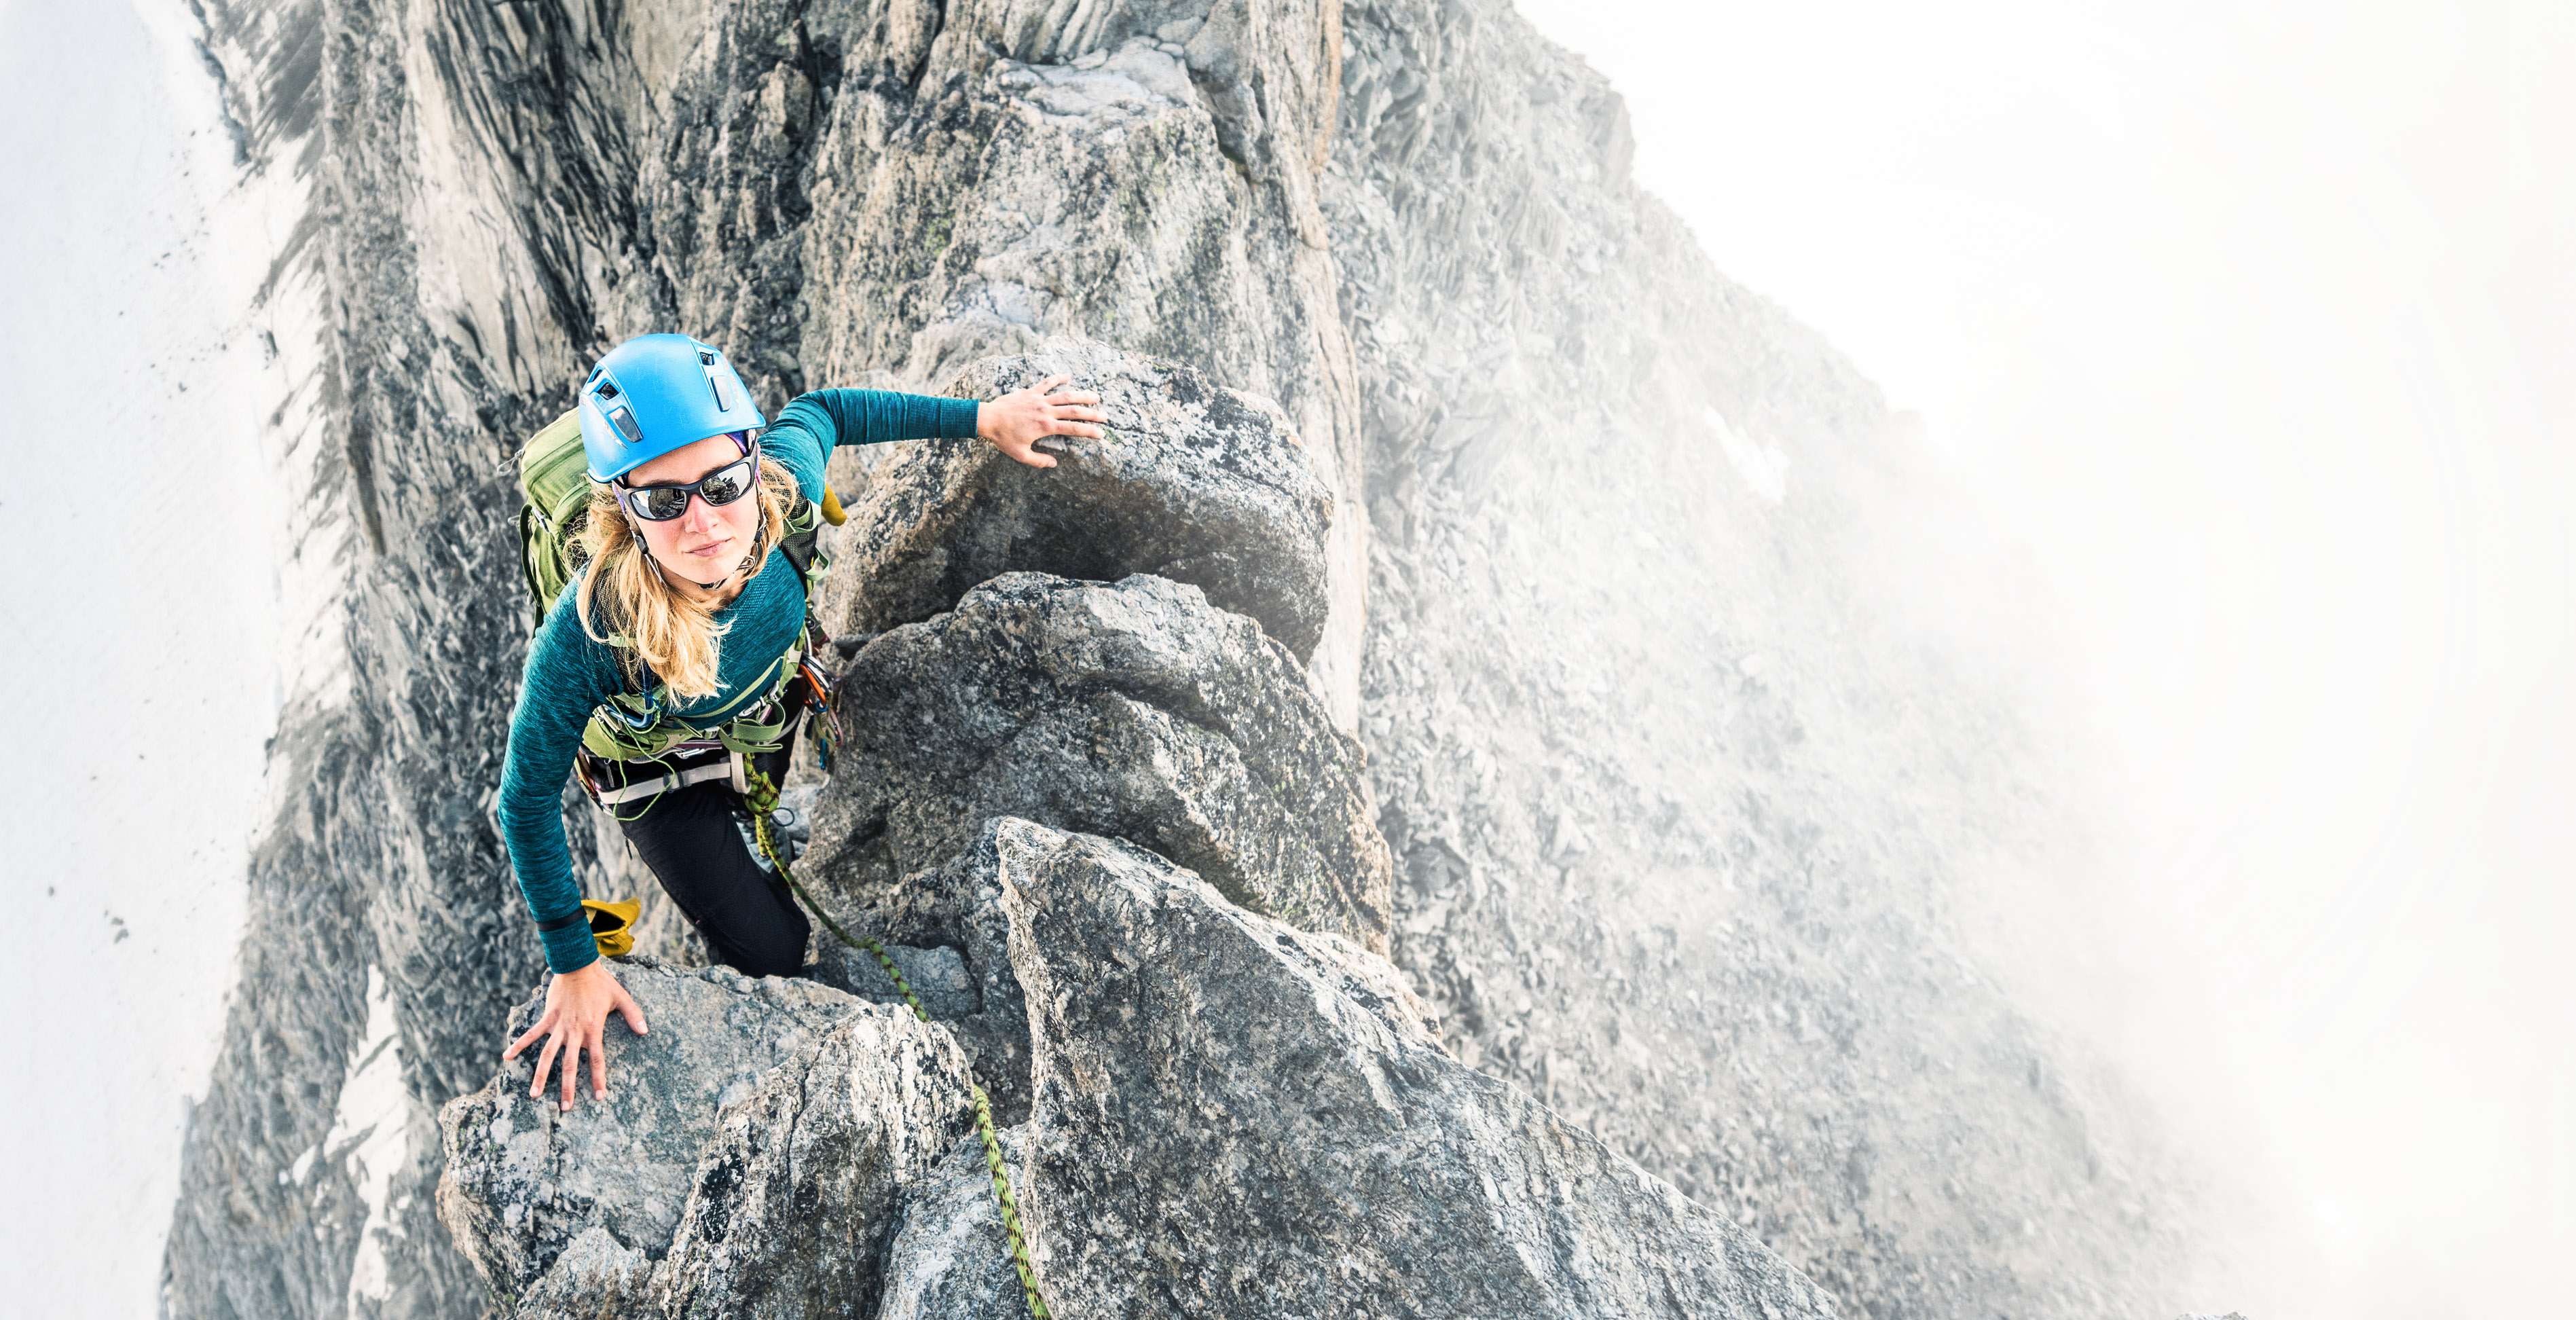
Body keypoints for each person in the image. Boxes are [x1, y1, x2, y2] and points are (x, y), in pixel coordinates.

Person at [495, 333, 1103, 1110]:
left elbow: (827, 411)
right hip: (654, 781)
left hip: (760, 714)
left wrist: (986, 418)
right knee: (773, 954)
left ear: (752, 459)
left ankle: (753, 833)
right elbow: (524, 801)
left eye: (720, 481)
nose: (704, 519)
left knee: (762, 812)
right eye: (662, 499)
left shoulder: (782, 493)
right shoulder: (590, 631)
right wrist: (574, 963)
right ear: (624, 509)